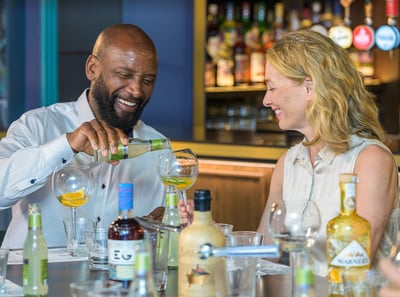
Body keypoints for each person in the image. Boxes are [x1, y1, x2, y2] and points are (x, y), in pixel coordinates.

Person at [179, 29, 399, 276]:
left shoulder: (370, 161)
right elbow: (265, 252)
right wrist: (209, 230)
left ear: (309, 87)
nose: (265, 100)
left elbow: (354, 264)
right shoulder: (288, 163)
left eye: (272, 88)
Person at [0, 24, 167, 249]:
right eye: (124, 75)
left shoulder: (158, 149)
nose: (136, 91)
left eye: (147, 81)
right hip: (28, 278)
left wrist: (163, 228)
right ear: (92, 68)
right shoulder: (37, 125)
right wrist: (66, 146)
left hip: (111, 282)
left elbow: (166, 229)